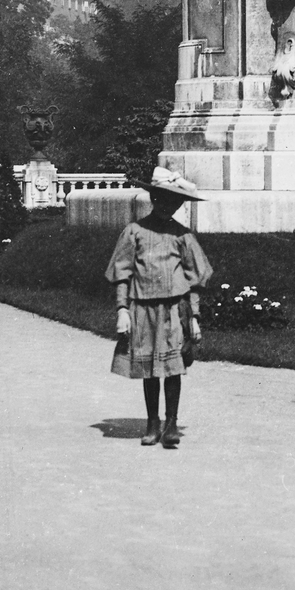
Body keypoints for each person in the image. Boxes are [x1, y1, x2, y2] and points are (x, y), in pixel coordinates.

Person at [105, 166, 213, 449]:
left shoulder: (182, 236)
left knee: (173, 367)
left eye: (175, 202)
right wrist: (122, 310)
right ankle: (152, 423)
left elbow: (194, 279)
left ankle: (172, 422)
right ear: (153, 198)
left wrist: (195, 317)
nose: (168, 207)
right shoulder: (135, 232)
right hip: (143, 309)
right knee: (150, 368)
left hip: (175, 309)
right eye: (163, 200)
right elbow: (122, 274)